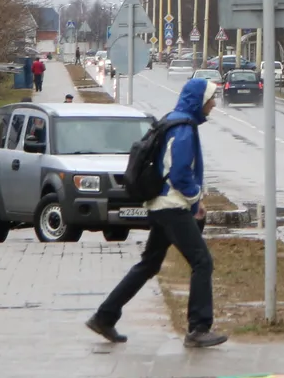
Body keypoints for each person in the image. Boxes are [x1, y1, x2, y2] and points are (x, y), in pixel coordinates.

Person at [86, 76, 226, 348]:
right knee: (202, 262)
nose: (213, 104)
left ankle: (104, 316)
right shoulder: (184, 128)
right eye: (211, 99)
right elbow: (180, 173)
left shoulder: (173, 120)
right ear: (199, 101)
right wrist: (195, 202)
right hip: (172, 206)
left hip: (161, 205)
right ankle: (198, 329)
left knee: (149, 264)